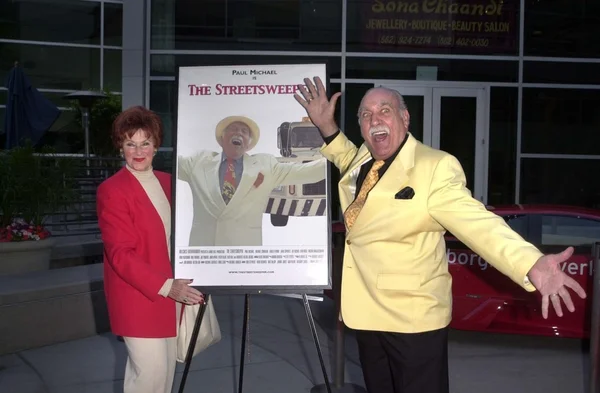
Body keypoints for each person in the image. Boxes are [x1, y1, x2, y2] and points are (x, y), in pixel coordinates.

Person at [294, 77, 587, 393]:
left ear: (405, 119)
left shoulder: (435, 167)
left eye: (384, 110)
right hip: (367, 312)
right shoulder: (365, 158)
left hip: (412, 319)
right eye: (365, 115)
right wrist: (327, 126)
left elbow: (477, 223)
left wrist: (530, 262)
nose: (374, 119)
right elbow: (346, 159)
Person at [97, 106, 204, 393]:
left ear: (156, 146)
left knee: (164, 377)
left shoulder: (172, 183)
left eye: (145, 143)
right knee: (149, 378)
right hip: (139, 298)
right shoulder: (113, 190)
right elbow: (119, 253)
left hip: (172, 295)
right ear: (121, 147)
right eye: (131, 143)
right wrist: (166, 286)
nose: (138, 150)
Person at [177, 115, 326, 246]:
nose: (238, 133)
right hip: (203, 256)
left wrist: (337, 148)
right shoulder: (199, 162)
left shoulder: (266, 165)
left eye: (244, 132)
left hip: (245, 258)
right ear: (222, 138)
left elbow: (312, 172)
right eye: (233, 129)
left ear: (248, 144)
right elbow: (170, 164)